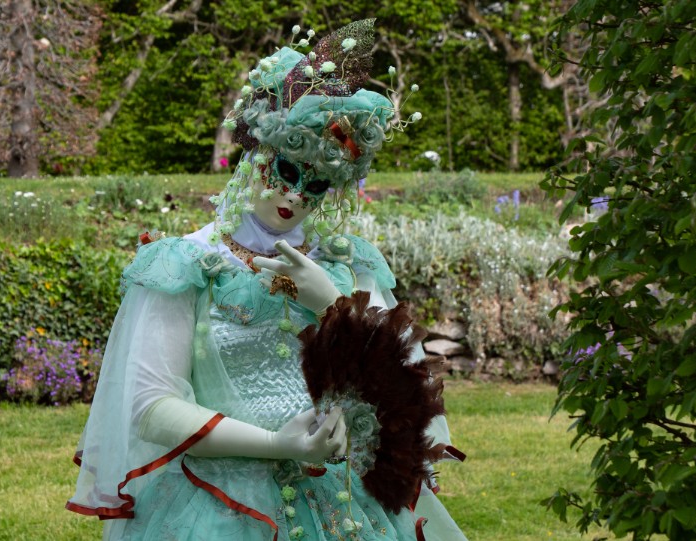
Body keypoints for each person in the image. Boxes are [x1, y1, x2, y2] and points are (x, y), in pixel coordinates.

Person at [66, 20, 468, 541]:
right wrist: (277, 445)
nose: (296, 195)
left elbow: (405, 392)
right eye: (287, 170)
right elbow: (149, 407)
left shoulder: (348, 263)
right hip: (217, 504)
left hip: (342, 502)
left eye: (316, 183)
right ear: (254, 154)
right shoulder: (186, 263)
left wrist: (336, 308)